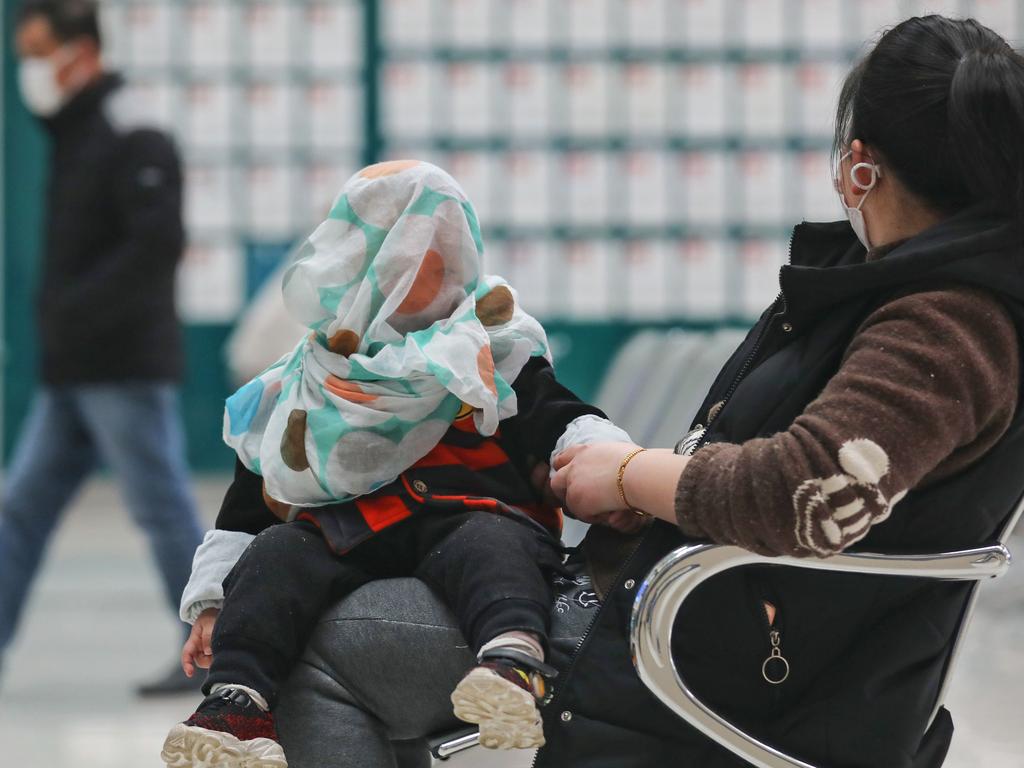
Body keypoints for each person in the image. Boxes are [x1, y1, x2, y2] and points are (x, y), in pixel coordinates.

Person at [259, 15, 1024, 768]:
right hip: (717, 621)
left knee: (323, 653)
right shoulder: (918, 299)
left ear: (862, 167)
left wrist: (628, 475)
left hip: (711, 650)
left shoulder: (947, 323)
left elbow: (801, 492)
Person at [161, 161, 635, 767]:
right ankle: (236, 702)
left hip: (475, 511)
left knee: (494, 546)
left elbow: (556, 416)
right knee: (277, 553)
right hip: (350, 528)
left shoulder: (489, 346)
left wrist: (606, 455)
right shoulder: (313, 377)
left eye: (440, 251)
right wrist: (210, 600)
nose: (423, 266)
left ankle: (513, 661)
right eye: (399, 251)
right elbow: (257, 490)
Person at [1, 0, 205, 696]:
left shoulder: (132, 127)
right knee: (20, 509)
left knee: (160, 507)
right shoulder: (76, 126)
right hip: (72, 369)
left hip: (121, 365)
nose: (28, 69)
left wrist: (76, 313)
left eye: (37, 52)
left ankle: (217, 651)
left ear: (81, 50)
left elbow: (156, 246)